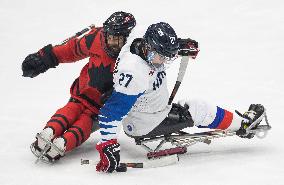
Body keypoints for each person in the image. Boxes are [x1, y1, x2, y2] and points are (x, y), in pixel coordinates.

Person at [94, 22, 266, 173]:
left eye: (166, 57)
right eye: (158, 56)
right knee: (199, 108)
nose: (161, 61)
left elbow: (160, 50)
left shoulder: (140, 36)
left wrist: (179, 46)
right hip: (146, 122)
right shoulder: (134, 72)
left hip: (144, 109)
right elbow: (109, 115)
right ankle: (244, 124)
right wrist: (107, 147)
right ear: (147, 46)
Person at [21, 11, 136, 163]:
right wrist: (44, 58)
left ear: (128, 38)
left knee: (84, 123)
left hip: (101, 108)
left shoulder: (135, 55)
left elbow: (140, 84)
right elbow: (71, 49)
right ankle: (48, 132)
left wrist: (118, 95)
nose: (112, 43)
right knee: (69, 111)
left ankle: (62, 144)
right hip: (81, 94)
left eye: (117, 39)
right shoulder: (96, 37)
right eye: (110, 37)